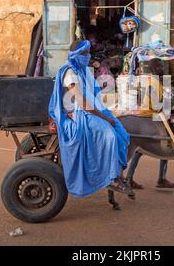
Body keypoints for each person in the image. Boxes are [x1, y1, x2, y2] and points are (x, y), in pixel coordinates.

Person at [49, 40, 133, 197]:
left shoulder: (82, 70)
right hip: (79, 113)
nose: (88, 56)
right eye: (85, 53)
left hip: (92, 109)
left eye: (88, 52)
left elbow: (92, 93)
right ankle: (109, 178)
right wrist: (105, 118)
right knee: (109, 136)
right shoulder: (70, 72)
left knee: (121, 133)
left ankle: (116, 173)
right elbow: (82, 102)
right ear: (77, 55)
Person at [126, 58, 174, 189]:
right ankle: (161, 178)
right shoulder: (154, 83)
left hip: (147, 114)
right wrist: (167, 111)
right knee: (168, 141)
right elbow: (155, 105)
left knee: (138, 151)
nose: (162, 68)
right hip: (150, 115)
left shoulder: (154, 81)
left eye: (162, 66)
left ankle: (130, 178)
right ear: (155, 68)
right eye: (160, 66)